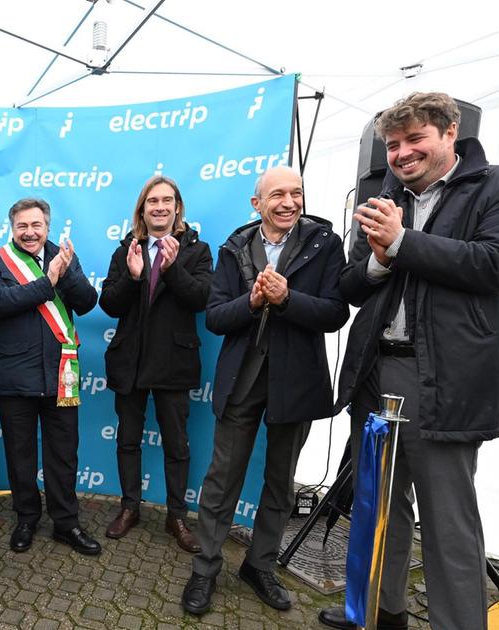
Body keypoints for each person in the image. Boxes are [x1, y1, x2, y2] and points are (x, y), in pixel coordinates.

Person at [318, 92, 499, 630]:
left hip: (442, 381)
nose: (401, 153)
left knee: (448, 526)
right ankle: (375, 612)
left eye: (415, 139)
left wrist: (401, 242)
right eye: (393, 145)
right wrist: (375, 259)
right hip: (376, 373)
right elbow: (350, 286)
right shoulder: (378, 195)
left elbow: (496, 263)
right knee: (378, 512)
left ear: (449, 132)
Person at [181, 166, 349, 615]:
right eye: (278, 194)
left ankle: (260, 566)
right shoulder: (234, 248)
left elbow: (336, 313)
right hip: (243, 380)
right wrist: (253, 302)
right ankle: (205, 568)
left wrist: (288, 299)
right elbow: (216, 316)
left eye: (297, 193)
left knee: (280, 484)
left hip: (297, 383)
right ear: (257, 203)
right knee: (221, 481)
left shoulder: (325, 244)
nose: (289, 202)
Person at [99, 176, 212, 552]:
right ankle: (129, 507)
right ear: (142, 209)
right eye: (152, 201)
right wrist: (133, 278)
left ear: (177, 207)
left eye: (167, 200)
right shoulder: (125, 250)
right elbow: (110, 304)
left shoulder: (197, 250)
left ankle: (176, 516)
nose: (160, 207)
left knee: (176, 444)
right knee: (127, 440)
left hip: (173, 363)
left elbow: (201, 299)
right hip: (130, 362)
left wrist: (171, 268)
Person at [0, 198, 100, 556]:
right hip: (15, 376)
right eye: (23, 226)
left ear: (47, 227)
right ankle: (26, 519)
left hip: (59, 376)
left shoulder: (63, 256)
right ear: (12, 227)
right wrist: (48, 281)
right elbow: (0, 302)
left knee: (63, 455)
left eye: (36, 226)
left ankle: (66, 523)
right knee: (20, 455)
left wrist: (69, 274)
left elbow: (87, 302)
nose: (30, 232)